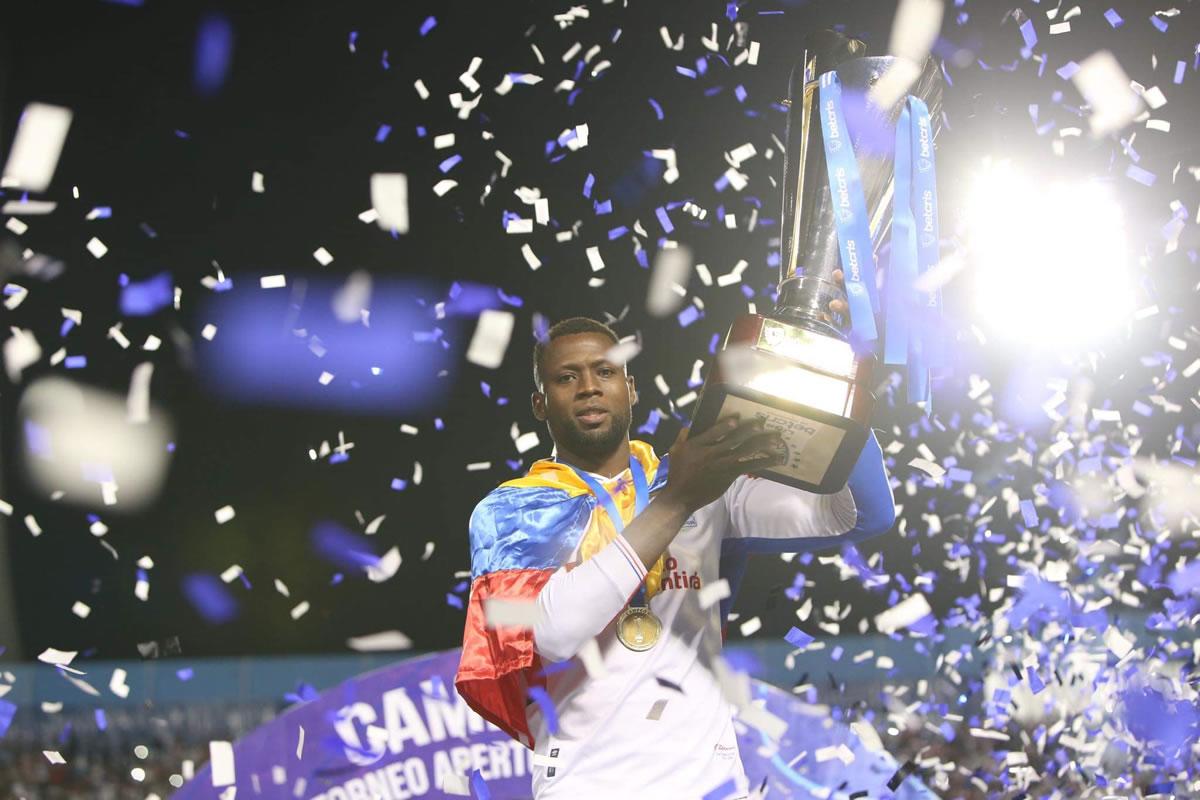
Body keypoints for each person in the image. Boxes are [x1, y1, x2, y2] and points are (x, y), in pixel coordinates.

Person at [455, 316, 895, 798]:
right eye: (566, 377)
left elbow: (857, 513)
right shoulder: (513, 511)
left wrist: (833, 372)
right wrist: (676, 501)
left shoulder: (706, 484)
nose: (588, 388)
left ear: (631, 387)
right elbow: (555, 633)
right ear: (540, 404)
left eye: (605, 372)